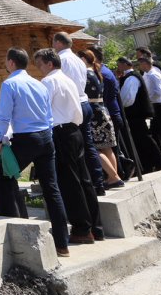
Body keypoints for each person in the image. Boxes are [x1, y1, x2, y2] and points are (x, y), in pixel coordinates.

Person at [0, 48, 70, 256]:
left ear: (11, 63)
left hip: (27, 137)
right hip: (46, 135)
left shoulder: (10, 84)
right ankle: (62, 243)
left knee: (2, 176)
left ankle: (17, 232)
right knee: (51, 188)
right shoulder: (38, 83)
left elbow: (3, 115)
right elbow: (48, 113)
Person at [36, 48, 101, 243]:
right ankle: (96, 227)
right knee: (84, 180)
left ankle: (82, 229)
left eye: (39, 64)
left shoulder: (48, 82)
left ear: (49, 63)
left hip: (61, 132)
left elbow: (44, 110)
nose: (38, 69)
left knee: (69, 183)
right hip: (75, 129)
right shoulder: (68, 80)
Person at [53, 32, 105, 193]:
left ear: (59, 43)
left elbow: (64, 85)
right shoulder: (77, 59)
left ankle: (82, 183)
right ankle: (98, 182)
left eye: (54, 42)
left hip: (73, 105)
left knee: (74, 148)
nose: (53, 45)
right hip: (84, 101)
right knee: (88, 145)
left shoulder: (62, 60)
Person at [79, 49, 123, 189]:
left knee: (95, 148)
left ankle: (114, 177)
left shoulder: (86, 74)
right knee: (107, 148)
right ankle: (113, 176)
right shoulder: (98, 73)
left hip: (93, 113)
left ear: (84, 59)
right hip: (103, 111)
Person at [117, 57, 161, 174]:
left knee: (145, 139)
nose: (118, 67)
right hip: (135, 115)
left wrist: (122, 106)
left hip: (136, 115)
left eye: (119, 64)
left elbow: (128, 99)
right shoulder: (129, 77)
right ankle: (148, 165)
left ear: (125, 64)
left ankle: (160, 163)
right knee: (141, 141)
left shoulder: (132, 78)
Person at [93, 47, 133, 180]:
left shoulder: (101, 73)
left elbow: (105, 96)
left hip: (109, 113)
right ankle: (117, 175)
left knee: (110, 148)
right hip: (113, 112)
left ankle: (117, 175)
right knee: (112, 148)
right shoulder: (105, 71)